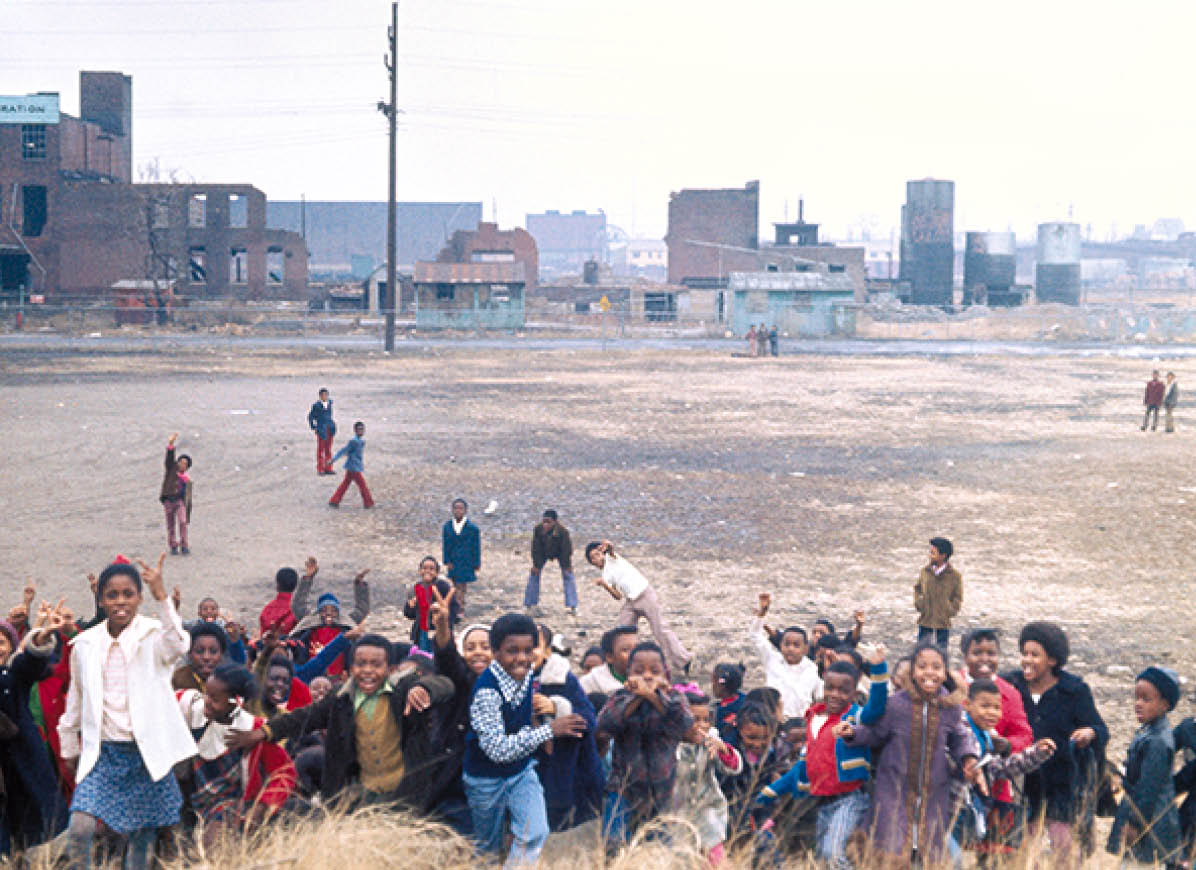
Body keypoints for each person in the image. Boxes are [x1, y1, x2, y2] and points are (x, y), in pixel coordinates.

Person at [59, 556, 198, 870]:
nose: (121, 602)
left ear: (139, 597)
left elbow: (179, 645)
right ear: (100, 599)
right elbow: (76, 700)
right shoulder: (85, 645)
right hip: (104, 755)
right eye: (112, 595)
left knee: (141, 839)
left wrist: (162, 596)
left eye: (128, 594)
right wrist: (69, 745)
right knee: (80, 828)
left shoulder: (153, 635)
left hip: (146, 755)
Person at [229, 633, 456, 815]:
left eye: (376, 664)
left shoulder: (406, 691)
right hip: (354, 799)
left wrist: (425, 690)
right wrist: (263, 732)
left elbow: (444, 683)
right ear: (350, 670)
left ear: (389, 669)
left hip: (402, 800)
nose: (367, 670)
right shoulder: (341, 698)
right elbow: (303, 717)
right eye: (360, 664)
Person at [839, 642, 980, 869]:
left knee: (934, 853)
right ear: (912, 671)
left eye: (936, 667)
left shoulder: (951, 707)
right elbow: (876, 733)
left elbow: (961, 736)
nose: (929, 673)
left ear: (945, 673)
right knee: (888, 853)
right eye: (922, 666)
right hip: (894, 790)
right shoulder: (896, 705)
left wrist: (969, 758)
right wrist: (852, 733)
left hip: (933, 793)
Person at [462, 613, 587, 868]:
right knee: (487, 848)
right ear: (495, 652)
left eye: (528, 651)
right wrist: (549, 731)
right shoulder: (487, 691)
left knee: (535, 833)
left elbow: (524, 709)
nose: (522, 658)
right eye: (512, 651)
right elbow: (497, 750)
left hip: (520, 772)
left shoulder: (526, 674)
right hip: (486, 779)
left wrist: (537, 724)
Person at [755, 650, 890, 870]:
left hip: (850, 798)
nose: (835, 694)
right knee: (822, 859)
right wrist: (770, 792)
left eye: (843, 690)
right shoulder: (813, 719)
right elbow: (802, 767)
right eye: (830, 688)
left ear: (854, 692)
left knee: (832, 855)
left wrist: (879, 669)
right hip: (822, 802)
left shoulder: (854, 716)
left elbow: (876, 707)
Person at [1002, 621, 1109, 867]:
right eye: (1024, 653)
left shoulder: (1074, 690)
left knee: (1066, 849)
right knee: (1022, 851)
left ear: (1052, 659)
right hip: (1022, 783)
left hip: (1062, 784)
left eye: (1034, 655)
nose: (1026, 660)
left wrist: (1089, 733)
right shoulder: (1010, 685)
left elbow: (1100, 728)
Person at [175, 665, 296, 849]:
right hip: (187, 798)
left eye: (214, 699)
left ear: (234, 702)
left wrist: (262, 806)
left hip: (228, 804)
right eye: (207, 694)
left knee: (214, 843)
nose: (206, 701)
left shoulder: (253, 729)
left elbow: (285, 772)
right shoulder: (191, 706)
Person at [596, 641, 693, 844]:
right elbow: (605, 724)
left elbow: (683, 723)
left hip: (662, 792)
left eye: (654, 671)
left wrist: (653, 696)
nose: (647, 676)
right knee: (614, 843)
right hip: (624, 789)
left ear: (665, 673)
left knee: (660, 850)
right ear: (628, 673)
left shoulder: (675, 698)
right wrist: (638, 698)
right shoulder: (620, 697)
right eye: (639, 671)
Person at [956, 679, 1056, 855]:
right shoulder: (960, 732)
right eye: (985, 706)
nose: (992, 713)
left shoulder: (986, 737)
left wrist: (1036, 753)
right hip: (952, 809)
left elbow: (1000, 768)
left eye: (996, 708)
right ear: (967, 705)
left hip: (970, 813)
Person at [0, 602, 69, 856]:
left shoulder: (13, 676)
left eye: (1, 643)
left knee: (37, 833)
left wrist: (41, 636)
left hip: (24, 767)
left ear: (10, 648)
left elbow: (28, 664)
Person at [529, 624, 605, 830]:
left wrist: (556, 706)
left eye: (534, 646)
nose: (526, 654)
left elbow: (588, 720)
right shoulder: (506, 680)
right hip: (529, 769)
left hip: (569, 770)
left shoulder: (562, 678)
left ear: (547, 651)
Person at [1106, 667, 1182, 866]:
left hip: (1150, 824)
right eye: (1137, 698)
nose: (1138, 704)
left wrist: (1135, 824)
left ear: (1165, 704)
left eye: (1146, 699)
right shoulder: (1150, 731)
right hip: (1148, 820)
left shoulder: (1157, 740)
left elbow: (1148, 789)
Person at [586, 540, 692, 676]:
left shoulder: (612, 559)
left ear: (602, 553)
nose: (596, 559)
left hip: (644, 594)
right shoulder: (605, 575)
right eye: (593, 558)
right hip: (631, 601)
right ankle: (623, 664)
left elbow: (611, 548)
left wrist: (607, 544)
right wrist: (605, 585)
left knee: (659, 629)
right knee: (621, 631)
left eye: (597, 555)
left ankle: (684, 659)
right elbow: (617, 596)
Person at [953, 628, 1034, 804]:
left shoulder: (1009, 693)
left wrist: (1007, 745)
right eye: (977, 653)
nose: (984, 659)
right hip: (953, 777)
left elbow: (1024, 735)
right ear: (965, 656)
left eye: (991, 653)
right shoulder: (951, 685)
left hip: (994, 782)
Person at [671, 685, 741, 866]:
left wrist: (724, 750)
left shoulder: (712, 740)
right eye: (694, 720)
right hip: (677, 814)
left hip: (709, 810)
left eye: (706, 720)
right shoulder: (670, 744)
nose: (701, 725)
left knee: (714, 860)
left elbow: (734, 768)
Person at [291, 557, 370, 678]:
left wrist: (359, 585)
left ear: (338, 612)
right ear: (318, 612)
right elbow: (298, 605)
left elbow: (362, 609)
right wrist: (308, 578)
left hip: (339, 677)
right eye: (324, 610)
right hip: (312, 675)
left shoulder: (345, 622)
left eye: (333, 610)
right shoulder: (310, 621)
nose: (329, 614)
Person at [753, 592, 820, 719]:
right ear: (780, 645)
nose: (790, 649)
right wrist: (761, 614)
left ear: (805, 649)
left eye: (796, 645)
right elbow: (755, 636)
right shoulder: (771, 659)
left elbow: (819, 697)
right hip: (772, 720)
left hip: (800, 723)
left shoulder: (812, 669)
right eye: (787, 644)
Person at [524, 510, 576, 617]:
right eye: (544, 522)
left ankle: (572, 606)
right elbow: (535, 548)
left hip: (560, 552)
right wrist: (536, 565)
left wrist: (566, 566)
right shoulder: (538, 530)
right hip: (543, 552)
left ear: (555, 522)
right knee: (534, 574)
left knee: (568, 576)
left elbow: (566, 550)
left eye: (548, 522)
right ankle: (530, 604)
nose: (545, 525)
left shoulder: (563, 532)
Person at [404, 557, 459, 654]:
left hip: (439, 631)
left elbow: (454, 608)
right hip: (421, 632)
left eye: (431, 569)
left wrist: (446, 622)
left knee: (438, 656)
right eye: (424, 568)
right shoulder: (416, 588)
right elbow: (410, 615)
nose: (427, 571)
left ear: (437, 573)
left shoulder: (443, 586)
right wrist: (410, 606)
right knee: (422, 657)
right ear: (419, 571)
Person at [914, 536, 961, 647]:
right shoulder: (925, 572)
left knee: (942, 652)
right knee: (921, 650)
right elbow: (917, 588)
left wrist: (950, 610)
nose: (930, 556)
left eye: (933, 553)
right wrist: (919, 603)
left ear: (943, 556)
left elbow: (957, 596)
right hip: (926, 618)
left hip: (943, 621)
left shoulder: (954, 576)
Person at [443, 498, 482, 613]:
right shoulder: (447, 527)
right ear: (452, 510)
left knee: (462, 585)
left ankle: (460, 608)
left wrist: (476, 563)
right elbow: (446, 545)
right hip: (454, 560)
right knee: (454, 585)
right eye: (456, 508)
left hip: (466, 561)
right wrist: (447, 560)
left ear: (465, 510)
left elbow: (476, 547)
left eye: (461, 508)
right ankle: (455, 606)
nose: (458, 511)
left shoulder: (473, 529)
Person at [159, 433, 193, 555]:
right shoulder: (171, 470)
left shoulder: (187, 481)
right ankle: (173, 545)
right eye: (181, 462)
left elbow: (188, 499)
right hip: (169, 500)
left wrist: (188, 513)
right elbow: (169, 459)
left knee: (182, 522)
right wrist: (171, 445)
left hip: (179, 502)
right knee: (171, 524)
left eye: (185, 464)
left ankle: (184, 545)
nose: (182, 465)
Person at [328, 421, 374, 509]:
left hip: (353, 466)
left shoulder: (360, 441)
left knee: (346, 483)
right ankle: (368, 502)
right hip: (353, 468)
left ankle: (334, 500)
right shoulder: (354, 442)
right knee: (362, 485)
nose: (361, 431)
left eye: (362, 429)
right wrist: (333, 460)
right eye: (359, 429)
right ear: (355, 431)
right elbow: (344, 450)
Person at [579, 626, 637, 695]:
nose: (635, 654)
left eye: (637, 648)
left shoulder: (648, 677)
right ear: (609, 657)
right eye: (626, 650)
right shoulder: (590, 682)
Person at [171, 622, 228, 692]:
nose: (206, 657)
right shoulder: (176, 683)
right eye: (199, 651)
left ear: (222, 654)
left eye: (213, 651)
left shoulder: (231, 685)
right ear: (189, 654)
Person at [259, 566, 301, 637]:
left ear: (277, 585)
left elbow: (263, 634)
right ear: (295, 586)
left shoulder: (267, 609)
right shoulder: (298, 609)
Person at [711, 662, 747, 740]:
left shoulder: (744, 706)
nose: (712, 685)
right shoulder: (744, 700)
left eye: (713, 681)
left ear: (722, 684)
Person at [307, 387, 337, 475]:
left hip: (329, 428)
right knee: (321, 449)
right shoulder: (316, 406)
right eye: (323, 395)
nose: (325, 397)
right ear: (320, 396)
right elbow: (310, 416)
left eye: (326, 395)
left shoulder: (330, 403)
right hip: (321, 429)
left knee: (328, 449)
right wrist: (314, 426)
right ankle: (320, 468)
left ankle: (328, 467)